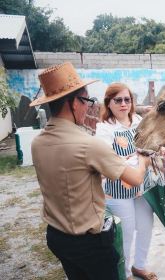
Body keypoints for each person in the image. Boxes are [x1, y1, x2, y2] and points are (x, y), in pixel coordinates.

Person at [30, 62, 151, 280]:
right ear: (72, 103)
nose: (88, 107)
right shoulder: (87, 144)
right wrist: (143, 158)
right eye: (86, 101)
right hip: (89, 243)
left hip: (57, 236)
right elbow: (135, 177)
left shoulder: (37, 143)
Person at [95, 83, 160, 280]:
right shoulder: (104, 128)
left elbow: (149, 145)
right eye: (118, 100)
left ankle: (139, 265)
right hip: (117, 190)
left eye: (127, 99)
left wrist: (157, 151)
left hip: (142, 187)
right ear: (109, 103)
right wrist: (137, 158)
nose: (123, 104)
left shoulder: (138, 121)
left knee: (146, 226)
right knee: (127, 233)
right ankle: (123, 273)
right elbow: (105, 161)